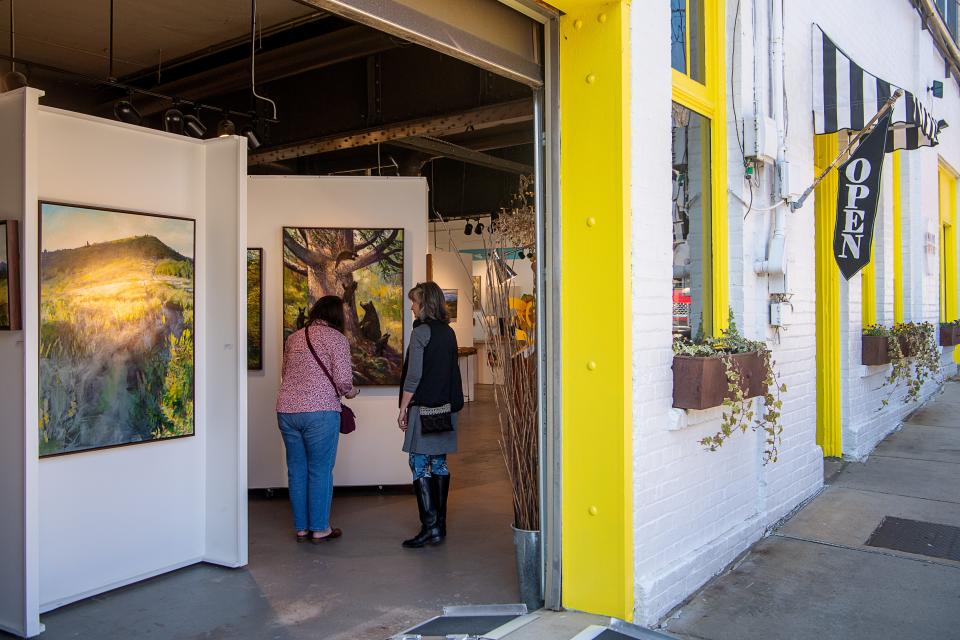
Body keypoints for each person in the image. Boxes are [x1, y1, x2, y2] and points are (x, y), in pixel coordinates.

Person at [277, 295, 359, 543]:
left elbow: (285, 373)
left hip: (287, 410)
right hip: (320, 412)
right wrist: (353, 392)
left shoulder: (293, 337)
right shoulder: (337, 339)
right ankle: (320, 528)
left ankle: (301, 528)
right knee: (320, 471)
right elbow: (344, 381)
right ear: (336, 315)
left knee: (297, 470)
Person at [398, 282, 464, 548]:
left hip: (424, 410)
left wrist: (403, 408)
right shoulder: (448, 333)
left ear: (425, 303)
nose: (411, 307)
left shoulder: (420, 332)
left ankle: (429, 526)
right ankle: (440, 525)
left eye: (414, 302)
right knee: (439, 463)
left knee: (418, 464)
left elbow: (413, 376)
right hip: (446, 409)